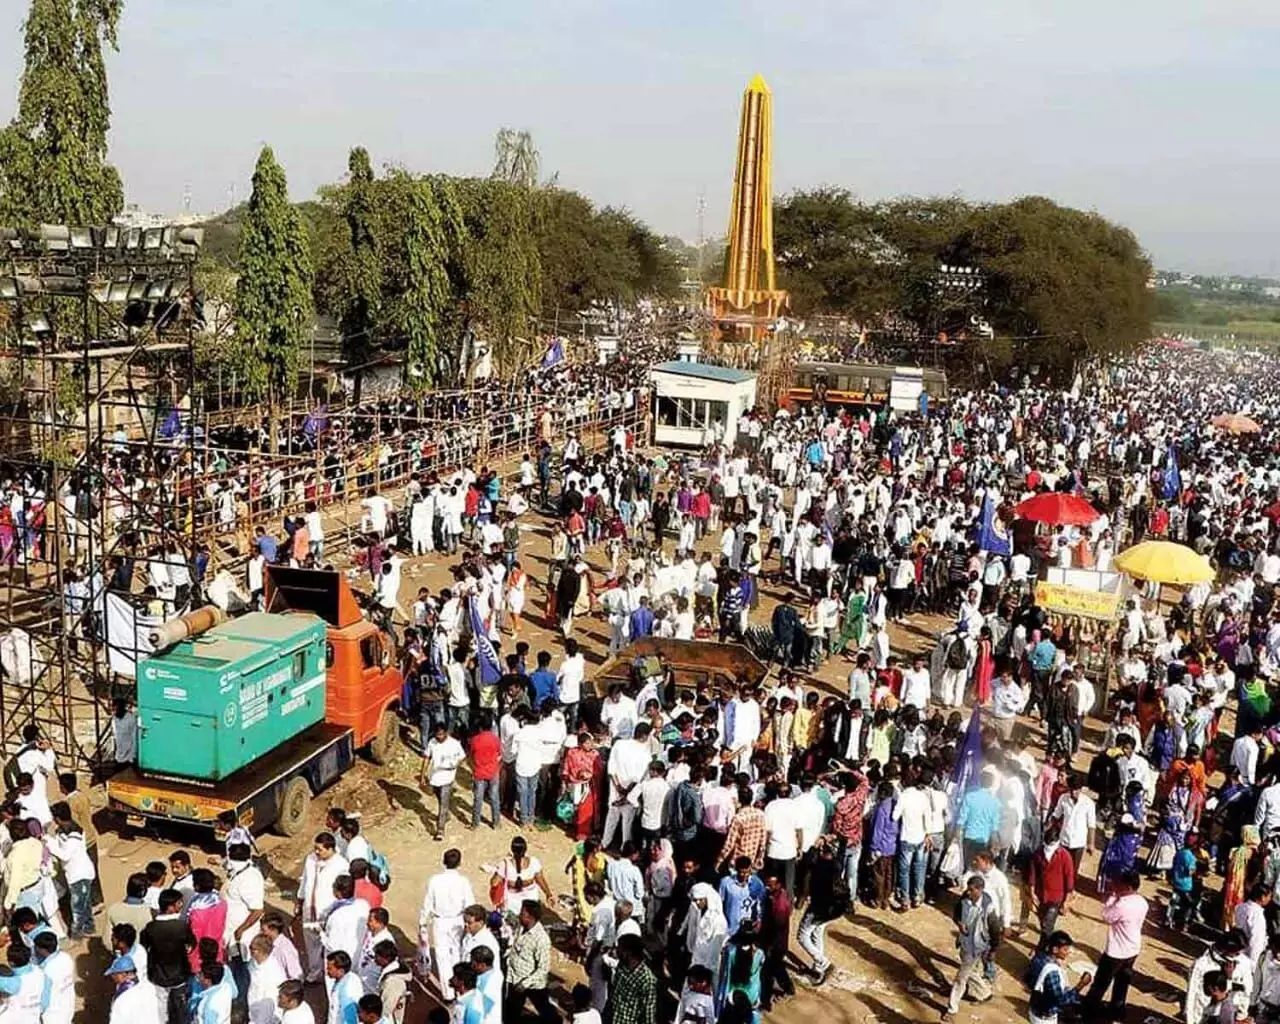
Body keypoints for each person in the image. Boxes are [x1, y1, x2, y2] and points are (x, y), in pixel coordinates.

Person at [1083, 869, 1148, 1020]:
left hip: (1116, 951)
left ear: (1128, 887)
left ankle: (1088, 1011)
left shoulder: (1122, 905)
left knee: (1101, 983)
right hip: (1133, 948)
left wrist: (1112, 896)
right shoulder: (1142, 902)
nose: (1115, 885)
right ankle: (1117, 1011)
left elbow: (1106, 915)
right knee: (1122, 983)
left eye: (1119, 884)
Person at [419, 848, 476, 1002]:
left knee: (442, 956)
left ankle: (448, 994)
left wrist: (423, 922)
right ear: (459, 862)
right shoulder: (463, 881)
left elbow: (427, 904)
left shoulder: (435, 880)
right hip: (458, 920)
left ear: (444, 862)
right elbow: (470, 904)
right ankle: (460, 988)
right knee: (458, 953)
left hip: (440, 921)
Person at [942, 874, 1000, 1022]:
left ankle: (952, 1009)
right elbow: (956, 913)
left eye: (972, 889)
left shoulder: (989, 908)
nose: (968, 892)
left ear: (980, 890)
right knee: (970, 971)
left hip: (977, 946)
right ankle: (985, 993)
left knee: (960, 978)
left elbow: (995, 931)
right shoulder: (964, 898)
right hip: (964, 942)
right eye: (968, 889)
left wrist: (993, 950)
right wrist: (959, 924)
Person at [298, 833, 349, 982]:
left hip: (328, 912)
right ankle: (315, 972)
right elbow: (305, 881)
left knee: (328, 944)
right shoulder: (310, 859)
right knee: (310, 943)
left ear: (331, 848)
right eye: (315, 849)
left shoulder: (341, 865)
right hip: (310, 909)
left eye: (320, 849)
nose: (317, 852)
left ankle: (330, 976)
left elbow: (344, 890)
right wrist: (300, 900)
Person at [141, 887, 196, 1024]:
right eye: (179, 903)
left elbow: (143, 947)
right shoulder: (181, 926)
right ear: (170, 907)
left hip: (158, 976)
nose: (181, 906)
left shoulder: (151, 927)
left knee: (161, 1009)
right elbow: (191, 945)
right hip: (179, 976)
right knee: (181, 1009)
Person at [1026, 930, 1092, 1024]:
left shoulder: (1040, 957)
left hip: (1035, 1009)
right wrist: (1081, 984)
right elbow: (1061, 1001)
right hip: (1044, 1018)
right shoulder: (1052, 972)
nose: (1068, 952)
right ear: (1055, 950)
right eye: (1065, 949)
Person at [505, 901, 555, 1024]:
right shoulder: (521, 928)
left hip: (532, 984)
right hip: (515, 978)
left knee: (546, 1012)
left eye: (522, 913)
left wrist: (525, 984)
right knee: (511, 1013)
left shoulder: (541, 939)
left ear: (530, 917)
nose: (519, 915)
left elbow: (543, 968)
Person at [421, 722, 465, 841]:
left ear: (446, 733)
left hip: (447, 778)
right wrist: (422, 775)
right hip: (434, 778)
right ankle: (446, 815)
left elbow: (462, 757)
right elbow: (426, 758)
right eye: (437, 734)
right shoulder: (432, 742)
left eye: (442, 734)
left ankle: (440, 830)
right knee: (439, 798)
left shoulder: (454, 744)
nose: (439, 737)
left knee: (444, 803)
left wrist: (455, 765)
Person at [608, 933, 657, 1024]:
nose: (616, 951)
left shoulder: (646, 979)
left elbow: (648, 1015)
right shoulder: (621, 967)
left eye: (619, 948)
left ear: (628, 952)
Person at [106, 952, 162, 1024]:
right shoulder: (150, 988)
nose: (112, 977)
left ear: (123, 974)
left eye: (114, 974)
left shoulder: (122, 996)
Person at [246, 934, 287, 1024]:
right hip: (253, 1010)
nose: (250, 951)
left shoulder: (274, 971)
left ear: (262, 951)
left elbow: (272, 1000)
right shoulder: (251, 964)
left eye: (253, 948)